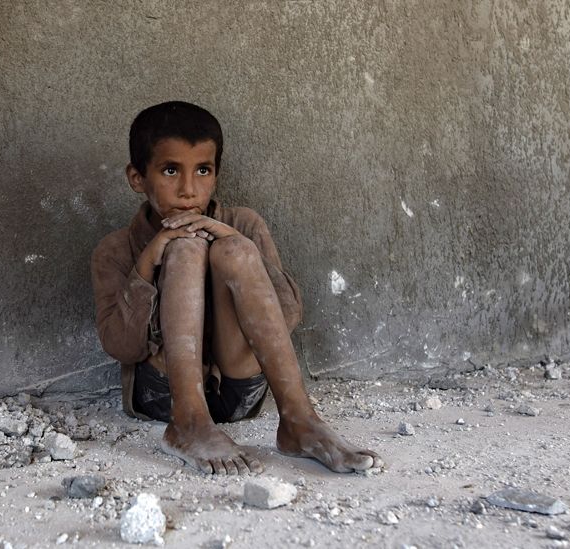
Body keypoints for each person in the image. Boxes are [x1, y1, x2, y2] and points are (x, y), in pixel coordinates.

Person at [90, 101, 383, 475]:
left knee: (235, 250)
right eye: (169, 171)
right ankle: (190, 423)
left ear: (216, 174)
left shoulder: (243, 223)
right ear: (136, 178)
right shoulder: (115, 249)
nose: (188, 190)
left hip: (240, 393)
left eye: (202, 171)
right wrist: (150, 259)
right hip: (162, 395)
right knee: (184, 247)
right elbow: (121, 346)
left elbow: (287, 316)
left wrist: (235, 240)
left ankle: (299, 421)